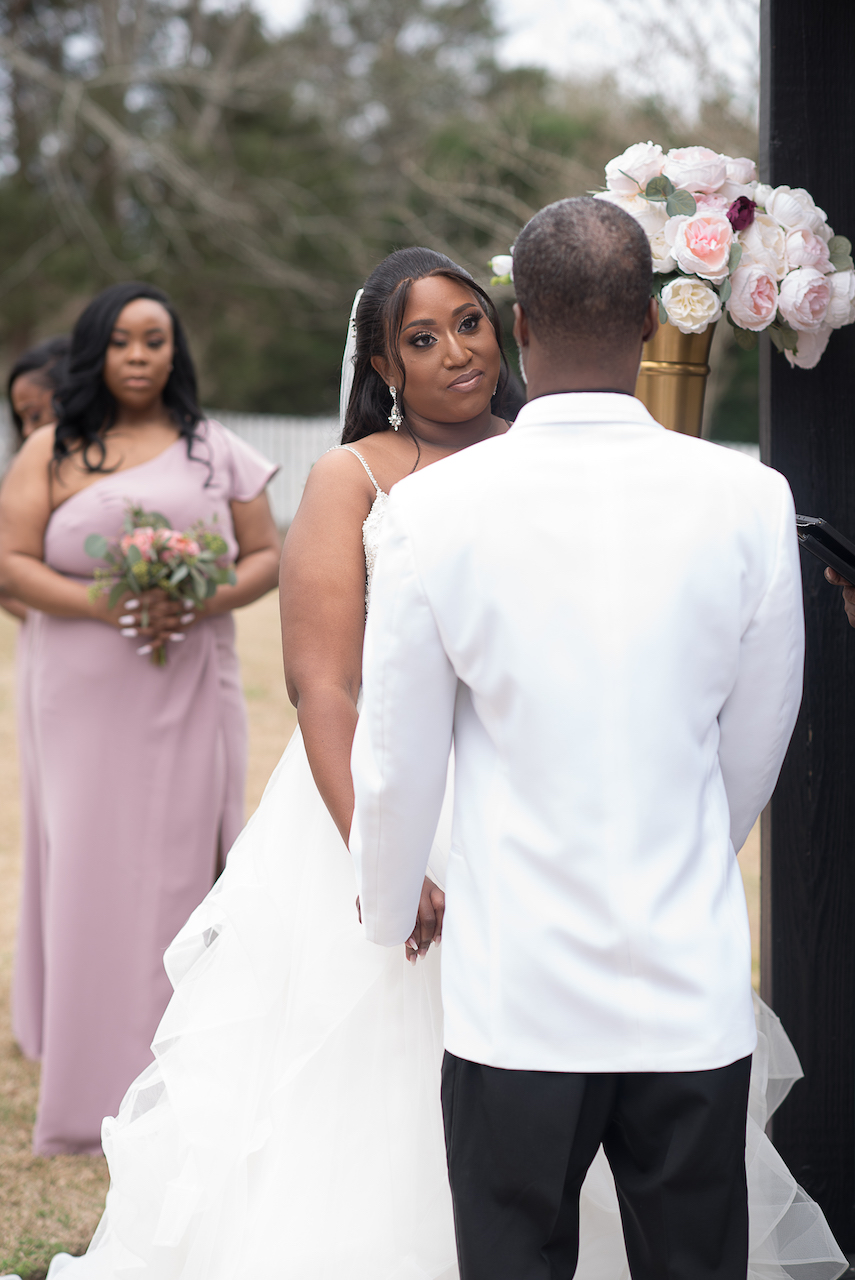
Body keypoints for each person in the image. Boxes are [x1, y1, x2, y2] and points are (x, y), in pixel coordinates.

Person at [42, 249, 843, 1280]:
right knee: (398, 1096)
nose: (456, 351)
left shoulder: (554, 455)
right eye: (422, 338)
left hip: (549, 805)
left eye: (469, 322)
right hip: (390, 794)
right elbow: (325, 685)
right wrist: (383, 846)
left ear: (511, 330)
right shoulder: (359, 476)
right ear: (382, 366)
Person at [350, 201, 847, 1280]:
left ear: (520, 324)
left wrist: (388, 905)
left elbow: (398, 754)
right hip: (686, 984)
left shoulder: (435, 510)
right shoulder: (751, 500)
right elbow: (756, 738)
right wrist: (676, 851)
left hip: (515, 993)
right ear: (650, 323)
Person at [0, 282, 280, 1156]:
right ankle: (84, 1106)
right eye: (120, 340)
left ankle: (183, 1095)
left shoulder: (213, 450)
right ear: (97, 350)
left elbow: (267, 553)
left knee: (179, 876)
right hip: (82, 690)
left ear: (174, 352)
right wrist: (113, 601)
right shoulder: (53, 449)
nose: (137, 355)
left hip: (187, 682)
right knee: (87, 873)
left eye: (154, 340)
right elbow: (9, 562)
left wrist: (196, 603)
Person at [2, 337, 71, 621]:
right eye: (23, 421)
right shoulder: (26, 480)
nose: (29, 431)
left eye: (36, 415)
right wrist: (49, 621)